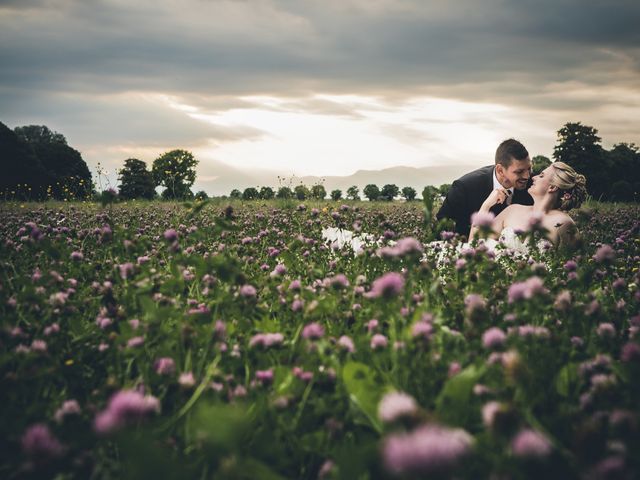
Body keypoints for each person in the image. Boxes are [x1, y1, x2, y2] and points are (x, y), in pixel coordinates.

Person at [468, 161, 587, 249]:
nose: (533, 177)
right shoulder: (512, 210)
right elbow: (473, 244)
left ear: (552, 187)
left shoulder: (563, 223)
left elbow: (568, 271)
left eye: (541, 176)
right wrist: (486, 205)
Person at [437, 139, 534, 237]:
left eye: (529, 168)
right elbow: (443, 227)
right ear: (500, 170)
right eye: (519, 171)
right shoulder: (464, 187)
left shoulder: (534, 186)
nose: (527, 176)